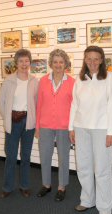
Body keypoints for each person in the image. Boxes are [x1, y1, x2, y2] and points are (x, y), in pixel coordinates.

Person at [69, 46, 112, 214]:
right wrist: (71, 127)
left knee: (102, 169)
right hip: (81, 127)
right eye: (88, 58)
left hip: (101, 129)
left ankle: (105, 208)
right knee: (83, 167)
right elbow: (74, 104)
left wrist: (111, 132)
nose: (92, 62)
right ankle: (87, 200)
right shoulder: (79, 78)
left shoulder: (109, 78)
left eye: (96, 58)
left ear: (102, 60)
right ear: (84, 60)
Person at [0, 49, 38, 198]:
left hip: (28, 123)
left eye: (26, 61)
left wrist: (35, 120)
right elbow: (0, 103)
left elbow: (37, 103)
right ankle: (7, 187)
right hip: (13, 123)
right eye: (21, 61)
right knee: (11, 157)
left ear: (30, 62)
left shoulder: (34, 81)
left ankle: (25, 186)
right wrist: (8, 117)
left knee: (26, 157)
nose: (24, 64)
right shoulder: (8, 81)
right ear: (16, 63)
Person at [35, 49, 75, 201]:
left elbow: (75, 108)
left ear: (66, 64)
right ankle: (46, 184)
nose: (58, 64)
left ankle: (61, 186)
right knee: (45, 156)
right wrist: (37, 126)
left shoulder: (72, 82)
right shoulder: (43, 81)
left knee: (63, 157)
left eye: (61, 62)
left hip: (64, 126)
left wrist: (73, 128)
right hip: (45, 125)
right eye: (55, 61)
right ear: (51, 64)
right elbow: (39, 104)